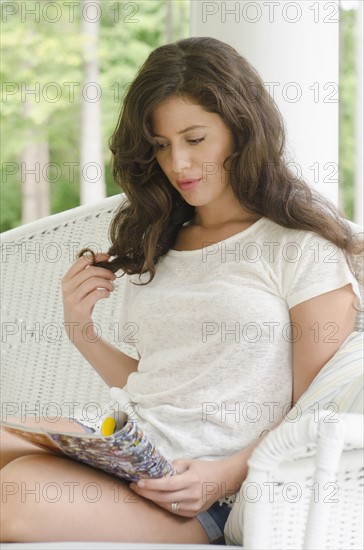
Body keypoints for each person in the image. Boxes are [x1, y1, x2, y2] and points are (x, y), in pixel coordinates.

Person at [1, 36, 362, 544]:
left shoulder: (300, 248)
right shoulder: (162, 242)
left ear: (241, 130)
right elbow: (165, 382)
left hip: (200, 492)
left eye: (195, 139)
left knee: (15, 495)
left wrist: (227, 475)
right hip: (130, 449)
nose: (179, 165)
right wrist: (81, 331)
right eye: (161, 145)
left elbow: (311, 414)